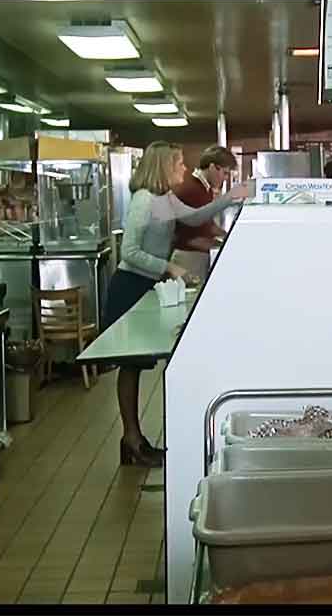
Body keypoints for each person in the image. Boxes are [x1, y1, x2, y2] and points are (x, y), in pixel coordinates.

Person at [105, 141, 249, 467]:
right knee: (131, 365)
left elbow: (196, 216)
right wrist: (168, 267)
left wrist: (231, 196)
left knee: (138, 365)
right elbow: (128, 252)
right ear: (163, 166)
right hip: (131, 285)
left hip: (148, 283)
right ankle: (131, 438)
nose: (184, 170)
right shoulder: (144, 201)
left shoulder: (165, 199)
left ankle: (133, 439)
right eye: (179, 164)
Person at [170, 145, 238, 280]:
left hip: (195, 256)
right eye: (224, 173)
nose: (225, 179)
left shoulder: (204, 188)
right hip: (188, 259)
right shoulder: (193, 189)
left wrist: (227, 236)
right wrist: (223, 245)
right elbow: (192, 238)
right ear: (213, 167)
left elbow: (208, 224)